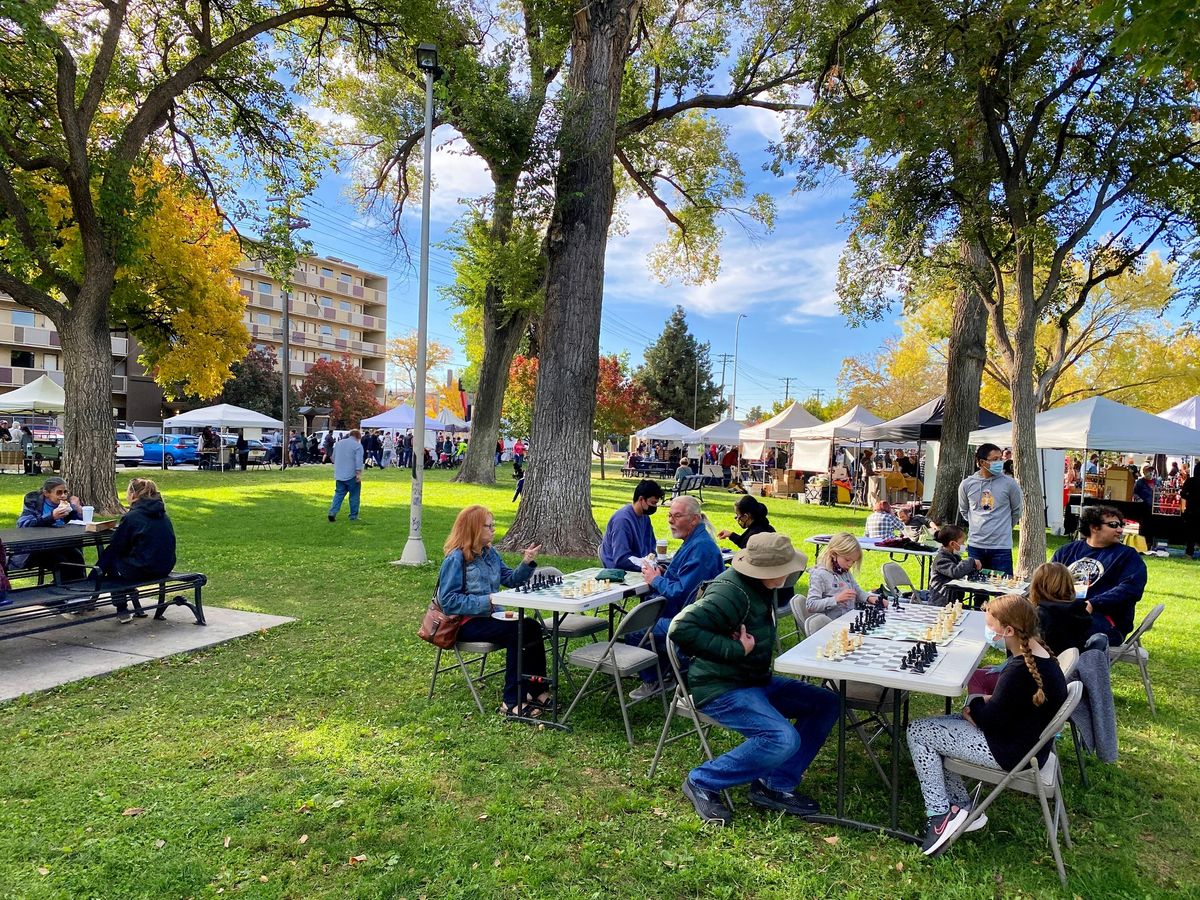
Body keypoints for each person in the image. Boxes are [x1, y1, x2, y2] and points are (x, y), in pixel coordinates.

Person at [670, 533, 839, 826]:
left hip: (753, 679)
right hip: (720, 687)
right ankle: (703, 780)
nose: (789, 573)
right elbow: (681, 629)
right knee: (782, 738)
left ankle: (775, 784)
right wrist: (736, 649)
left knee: (826, 703)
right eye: (783, 568)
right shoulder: (729, 592)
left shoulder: (760, 586)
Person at [906, 594, 1067, 856]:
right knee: (934, 727)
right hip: (1026, 743)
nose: (988, 631)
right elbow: (1007, 707)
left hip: (1010, 751)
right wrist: (982, 706)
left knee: (918, 731)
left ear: (1009, 630)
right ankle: (962, 808)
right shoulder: (1038, 657)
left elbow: (990, 720)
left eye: (990, 626)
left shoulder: (1019, 671)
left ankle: (940, 816)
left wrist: (975, 706)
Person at [437, 505, 546, 717]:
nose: (493, 530)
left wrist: (526, 562)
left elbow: (510, 579)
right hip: (466, 623)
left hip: (492, 617)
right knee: (517, 631)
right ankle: (511, 701)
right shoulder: (456, 558)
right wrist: (487, 600)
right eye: (489, 526)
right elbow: (449, 602)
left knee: (531, 626)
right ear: (474, 529)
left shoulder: (490, 553)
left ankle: (536, 688)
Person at [633, 496, 725, 699]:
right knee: (645, 620)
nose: (670, 520)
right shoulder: (695, 540)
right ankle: (669, 673)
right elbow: (684, 579)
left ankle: (656, 680)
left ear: (694, 519)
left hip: (692, 621)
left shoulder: (701, 548)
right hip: (693, 613)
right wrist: (666, 572)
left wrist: (655, 580)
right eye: (669, 515)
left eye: (677, 516)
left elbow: (681, 593)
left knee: (635, 629)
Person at [1051, 505, 1147, 644]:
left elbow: (1131, 589)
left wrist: (1092, 604)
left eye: (1121, 525)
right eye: (1113, 525)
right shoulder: (1066, 552)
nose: (1120, 530)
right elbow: (1048, 581)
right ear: (1094, 527)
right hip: (1064, 612)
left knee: (1061, 630)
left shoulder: (1127, 556)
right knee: (1025, 625)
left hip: (1104, 621)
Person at [97, 478, 177, 623]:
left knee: (112, 561)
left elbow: (117, 546)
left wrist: (99, 567)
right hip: (164, 567)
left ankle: (121, 609)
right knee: (114, 559)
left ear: (133, 495)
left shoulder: (132, 517)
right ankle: (127, 606)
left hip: (143, 569)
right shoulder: (162, 515)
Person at [957, 442, 1023, 575]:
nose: (999, 462)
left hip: (1001, 547)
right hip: (976, 546)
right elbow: (964, 510)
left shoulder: (1010, 484)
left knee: (1003, 590)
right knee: (978, 591)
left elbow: (1017, 511)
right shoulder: (967, 484)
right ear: (981, 462)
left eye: (1000, 458)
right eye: (995, 459)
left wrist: (1003, 528)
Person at [15, 476, 86, 579]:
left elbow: (75, 524)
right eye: (59, 492)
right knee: (62, 561)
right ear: (46, 493)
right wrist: (51, 516)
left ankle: (79, 588)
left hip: (61, 543)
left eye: (65, 492)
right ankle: (64, 589)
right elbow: (24, 524)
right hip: (37, 547)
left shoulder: (66, 505)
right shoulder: (34, 502)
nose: (63, 495)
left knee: (76, 557)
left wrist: (78, 510)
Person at [806, 532, 878, 620]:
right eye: (847, 560)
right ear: (833, 554)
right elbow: (811, 605)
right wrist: (836, 599)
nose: (850, 564)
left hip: (847, 619)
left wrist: (869, 598)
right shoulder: (819, 575)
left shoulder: (844, 570)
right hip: (830, 624)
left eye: (853, 561)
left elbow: (856, 590)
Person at [1028, 561, 1092, 655]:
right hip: (1072, 662)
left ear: (1037, 585)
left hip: (1046, 664)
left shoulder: (1040, 614)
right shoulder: (1079, 610)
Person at [599, 479, 664, 571]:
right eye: (653, 503)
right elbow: (621, 558)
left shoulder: (645, 518)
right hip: (619, 571)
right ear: (641, 499)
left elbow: (650, 550)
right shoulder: (622, 521)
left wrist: (655, 564)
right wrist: (647, 566)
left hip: (640, 567)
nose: (655, 506)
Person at [927, 525, 981, 608]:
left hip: (952, 600)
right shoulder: (941, 560)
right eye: (962, 542)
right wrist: (971, 561)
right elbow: (955, 572)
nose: (964, 545)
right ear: (952, 544)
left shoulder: (954, 557)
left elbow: (963, 570)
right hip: (941, 602)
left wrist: (973, 567)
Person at [328, 428, 364, 522]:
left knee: (338, 494)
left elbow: (333, 458)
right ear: (358, 437)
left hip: (339, 474)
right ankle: (353, 516)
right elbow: (359, 461)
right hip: (352, 475)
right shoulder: (358, 446)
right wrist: (358, 474)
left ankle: (332, 512)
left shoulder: (339, 443)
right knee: (354, 496)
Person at [1181, 468, 1200, 560]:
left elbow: (1183, 495)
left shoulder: (1190, 481)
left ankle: (1189, 553)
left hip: (1192, 510)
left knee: (1191, 534)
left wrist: (1183, 509)